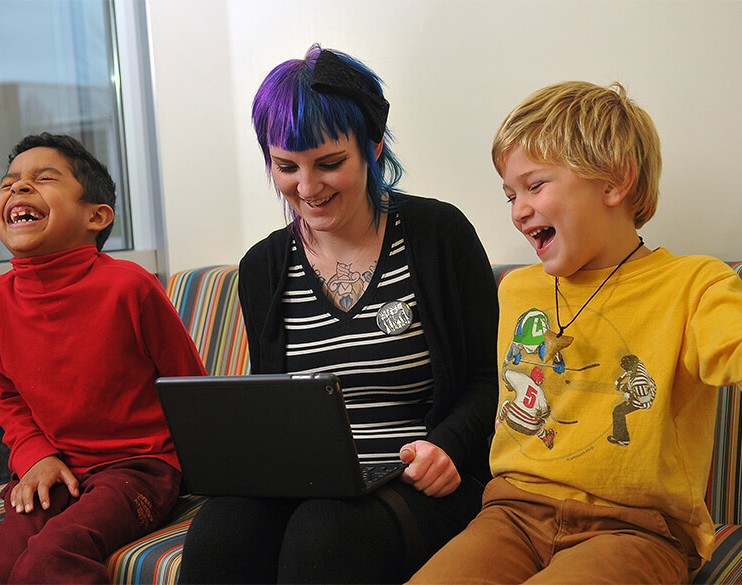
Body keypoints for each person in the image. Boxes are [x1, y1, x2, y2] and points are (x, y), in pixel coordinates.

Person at [177, 45, 499, 584]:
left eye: (329, 164)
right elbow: (275, 401)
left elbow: (491, 379)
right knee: (221, 528)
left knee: (325, 535)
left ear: (372, 147)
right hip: (307, 484)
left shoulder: (439, 235)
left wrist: (447, 446)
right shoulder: (263, 267)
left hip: (421, 479)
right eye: (286, 167)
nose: (306, 189)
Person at [407, 81, 742, 584]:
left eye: (535, 185)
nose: (518, 210)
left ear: (613, 182)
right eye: (510, 194)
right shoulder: (517, 290)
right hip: (512, 515)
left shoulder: (695, 284)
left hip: (635, 531)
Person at [0, 133, 207, 584]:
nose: (18, 189)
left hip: (142, 468)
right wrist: (34, 454)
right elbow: (3, 393)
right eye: (9, 183)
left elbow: (190, 386)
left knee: (55, 554)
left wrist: (205, 473)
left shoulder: (129, 287)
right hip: (55, 464)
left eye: (42, 179)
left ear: (95, 216)